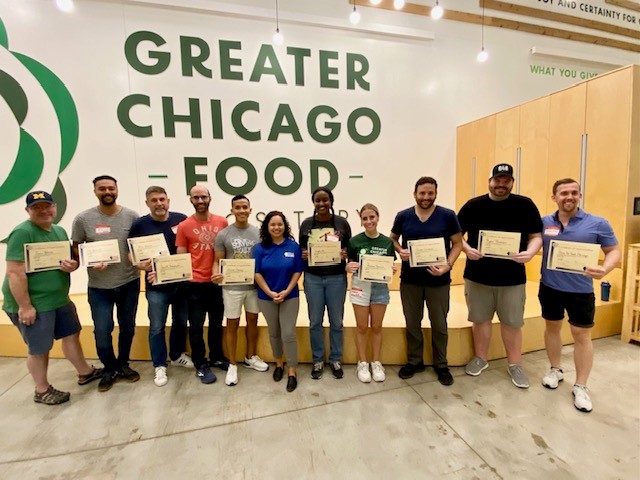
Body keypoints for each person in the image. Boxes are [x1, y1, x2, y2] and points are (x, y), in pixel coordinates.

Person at [2, 191, 102, 405]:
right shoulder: (22, 232)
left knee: (72, 334)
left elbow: (67, 262)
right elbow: (14, 272)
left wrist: (72, 265)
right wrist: (25, 306)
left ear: (55, 208)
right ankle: (41, 389)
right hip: (35, 304)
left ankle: (85, 372)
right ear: (28, 210)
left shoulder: (58, 231)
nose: (44, 211)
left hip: (59, 299)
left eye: (47, 206)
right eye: (37, 207)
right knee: (39, 348)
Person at [458, 164, 542, 388]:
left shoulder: (525, 205)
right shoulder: (473, 205)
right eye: (497, 180)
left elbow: (536, 236)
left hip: (512, 278)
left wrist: (531, 252)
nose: (501, 185)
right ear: (490, 181)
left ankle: (515, 364)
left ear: (512, 182)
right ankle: (481, 358)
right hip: (477, 276)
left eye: (506, 181)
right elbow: (456, 236)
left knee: (512, 323)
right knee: (480, 320)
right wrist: (466, 249)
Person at [539, 178, 620, 412]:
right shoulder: (544, 222)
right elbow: (534, 243)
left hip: (581, 291)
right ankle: (555, 369)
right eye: (564, 193)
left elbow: (613, 250)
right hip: (550, 287)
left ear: (580, 196)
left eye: (574, 192)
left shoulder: (597, 223)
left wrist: (605, 268)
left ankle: (581, 386)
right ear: (554, 197)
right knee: (552, 328)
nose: (569, 197)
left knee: (581, 335)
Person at [391, 177, 463, 385]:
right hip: (411, 280)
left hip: (438, 281)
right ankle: (415, 361)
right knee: (412, 323)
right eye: (422, 193)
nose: (426, 197)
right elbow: (393, 238)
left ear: (436, 194)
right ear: (415, 194)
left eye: (430, 193)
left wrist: (448, 265)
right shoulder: (403, 216)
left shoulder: (448, 216)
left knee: (439, 324)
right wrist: (400, 250)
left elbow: (457, 243)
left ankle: (441, 364)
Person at [72, 175, 140, 392]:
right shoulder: (83, 219)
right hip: (99, 287)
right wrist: (88, 262)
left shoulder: (131, 216)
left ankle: (123, 365)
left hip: (129, 281)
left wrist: (138, 259)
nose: (107, 192)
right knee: (102, 330)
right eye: (102, 189)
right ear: (95, 191)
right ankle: (109, 369)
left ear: (117, 190)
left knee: (127, 327)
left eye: (111, 188)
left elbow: (137, 246)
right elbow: (76, 248)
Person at [128, 186, 193, 388]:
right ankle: (159, 364)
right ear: (147, 203)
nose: (159, 203)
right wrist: (138, 264)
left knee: (181, 322)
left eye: (162, 199)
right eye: (154, 200)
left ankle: (176, 355)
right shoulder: (140, 225)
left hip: (181, 284)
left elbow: (190, 249)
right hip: (156, 287)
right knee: (156, 326)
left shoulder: (181, 219)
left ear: (168, 201)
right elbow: (130, 252)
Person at [212, 195, 269, 387]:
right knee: (232, 323)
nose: (242, 210)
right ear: (232, 210)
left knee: (253, 320)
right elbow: (217, 262)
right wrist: (216, 274)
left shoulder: (259, 233)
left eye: (245, 207)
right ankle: (232, 364)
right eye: (238, 207)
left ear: (250, 210)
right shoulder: (224, 234)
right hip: (232, 287)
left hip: (253, 287)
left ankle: (250, 356)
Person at [176, 185, 228, 384]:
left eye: (203, 197)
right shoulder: (184, 226)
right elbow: (181, 256)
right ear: (190, 200)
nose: (200, 201)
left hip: (217, 282)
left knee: (216, 323)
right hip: (194, 284)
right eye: (195, 197)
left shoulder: (222, 221)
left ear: (210, 198)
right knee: (196, 326)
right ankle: (200, 364)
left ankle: (216, 356)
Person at [299, 187, 352, 380]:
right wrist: (304, 254)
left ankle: (335, 358)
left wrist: (346, 252)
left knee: (336, 321)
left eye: (325, 200)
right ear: (313, 203)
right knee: (315, 322)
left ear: (331, 201)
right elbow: (302, 250)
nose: (321, 204)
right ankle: (318, 360)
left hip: (337, 278)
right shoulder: (306, 224)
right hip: (312, 278)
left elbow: (349, 248)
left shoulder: (341, 223)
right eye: (318, 201)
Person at [253, 211, 303, 393]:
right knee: (274, 332)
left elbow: (298, 270)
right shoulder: (259, 248)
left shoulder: (293, 247)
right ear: (267, 227)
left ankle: (292, 370)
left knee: (288, 333)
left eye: (279, 224)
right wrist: (270, 292)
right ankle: (279, 364)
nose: (276, 227)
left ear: (285, 226)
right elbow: (256, 272)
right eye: (272, 224)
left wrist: (287, 290)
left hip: (290, 296)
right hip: (267, 297)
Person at [346, 204, 396, 383]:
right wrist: (348, 266)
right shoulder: (354, 241)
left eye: (372, 217)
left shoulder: (387, 242)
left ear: (378, 217)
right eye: (365, 218)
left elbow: (391, 265)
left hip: (380, 288)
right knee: (361, 327)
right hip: (360, 286)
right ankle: (363, 362)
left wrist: (391, 270)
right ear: (361, 220)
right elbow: (349, 263)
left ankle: (376, 362)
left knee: (376, 327)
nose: (369, 221)